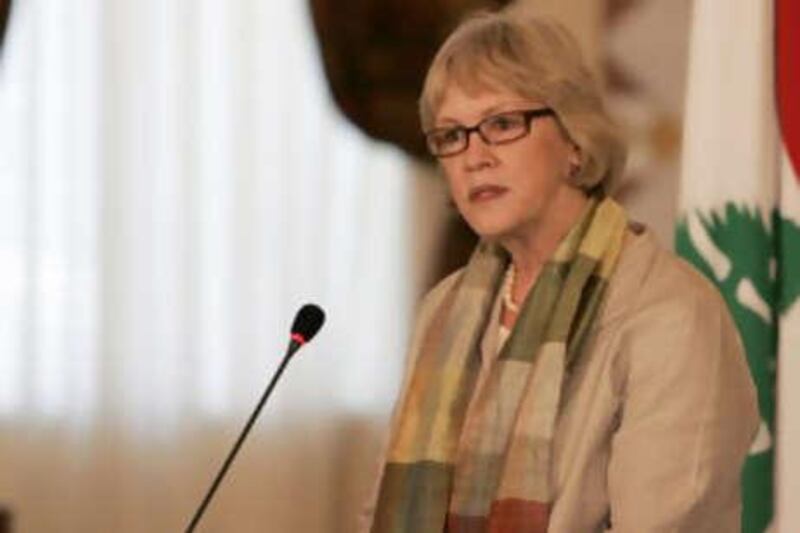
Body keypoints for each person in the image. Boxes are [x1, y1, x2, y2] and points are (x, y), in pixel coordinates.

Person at [362, 5, 759, 533]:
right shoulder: (446, 308)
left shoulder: (671, 315)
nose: (473, 156)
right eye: (451, 135)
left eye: (501, 124)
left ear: (574, 142)